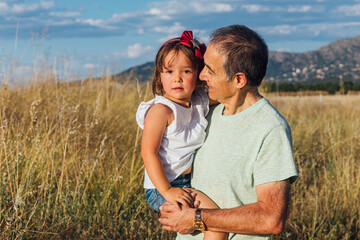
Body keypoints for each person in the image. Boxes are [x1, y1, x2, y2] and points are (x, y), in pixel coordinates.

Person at [158, 25, 298, 240]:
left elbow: (271, 218)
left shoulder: (270, 129)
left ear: (239, 80)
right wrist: (172, 204)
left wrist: (197, 217)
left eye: (210, 70)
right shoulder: (204, 112)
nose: (202, 75)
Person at [136, 30, 227, 240]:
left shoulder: (198, 102)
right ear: (159, 75)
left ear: (198, 73)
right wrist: (167, 191)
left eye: (186, 71)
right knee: (216, 226)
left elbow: (224, 95)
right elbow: (148, 153)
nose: (177, 78)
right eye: (168, 71)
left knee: (215, 223)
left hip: (187, 182)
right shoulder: (161, 110)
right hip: (163, 186)